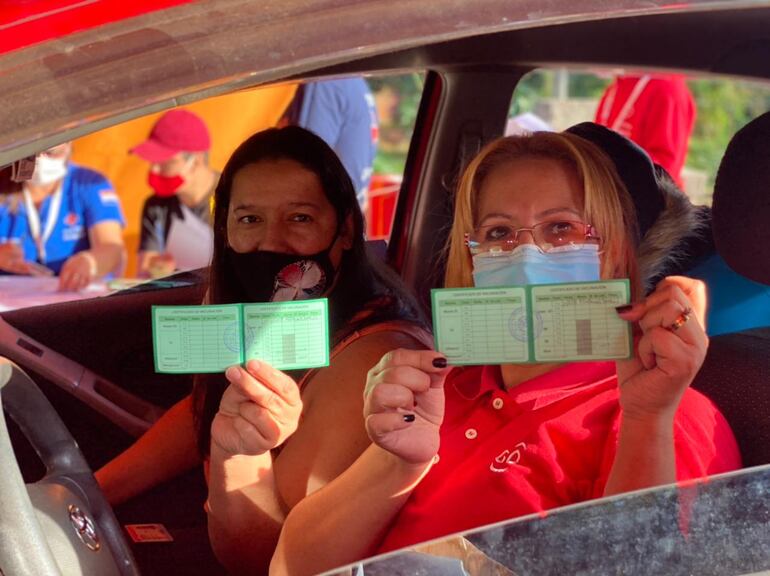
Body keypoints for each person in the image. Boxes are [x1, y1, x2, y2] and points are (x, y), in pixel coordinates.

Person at [270, 131, 741, 575]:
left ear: (615, 253)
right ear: (470, 258)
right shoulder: (440, 392)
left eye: (560, 228)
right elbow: (292, 566)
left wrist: (647, 420)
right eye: (498, 234)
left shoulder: (664, 415)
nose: (526, 253)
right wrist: (397, 463)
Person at [94, 126, 431, 574]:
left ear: (345, 230)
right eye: (250, 220)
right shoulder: (250, 314)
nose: (271, 243)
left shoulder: (370, 358)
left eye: (300, 218)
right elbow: (207, 411)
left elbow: (269, 558)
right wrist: (91, 492)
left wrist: (238, 455)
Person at [0, 142, 126, 290]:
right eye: (31, 153)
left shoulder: (89, 183)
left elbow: (112, 247)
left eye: (51, 152)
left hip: (77, 298)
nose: (40, 160)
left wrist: (90, 262)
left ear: (69, 144)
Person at [131, 109, 220, 277]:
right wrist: (156, 270)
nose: (154, 169)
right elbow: (143, 273)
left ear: (196, 161)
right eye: (153, 162)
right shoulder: (156, 206)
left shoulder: (234, 196)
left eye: (166, 163)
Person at [281, 78, 378, 210]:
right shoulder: (355, 83)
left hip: (324, 216)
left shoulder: (326, 82)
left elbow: (303, 165)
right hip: (346, 214)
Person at [595, 73, 695, 188]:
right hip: (610, 196)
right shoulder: (617, 85)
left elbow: (666, 168)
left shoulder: (666, 87)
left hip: (644, 201)